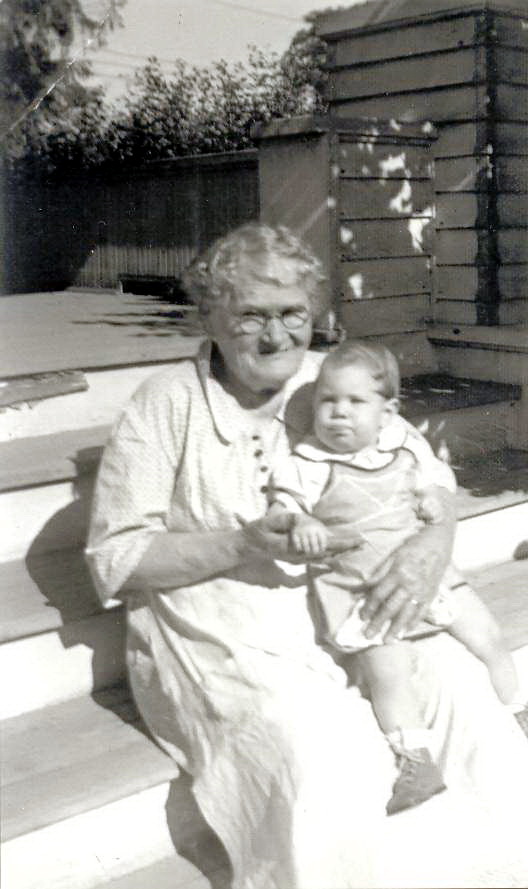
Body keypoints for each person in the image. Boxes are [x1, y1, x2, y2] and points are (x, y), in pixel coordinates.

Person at [86, 222, 528, 889]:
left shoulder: (334, 383)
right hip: (223, 628)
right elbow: (116, 558)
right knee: (320, 750)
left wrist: (432, 543)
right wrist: (239, 542)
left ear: (315, 315)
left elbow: (428, 473)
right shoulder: (166, 404)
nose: (275, 336)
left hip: (352, 605)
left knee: (462, 690)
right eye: (251, 317)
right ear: (210, 315)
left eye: (291, 314)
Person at [267, 339, 523, 816]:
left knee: (487, 634)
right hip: (363, 590)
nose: (338, 413)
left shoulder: (403, 446)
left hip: (430, 577)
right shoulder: (306, 462)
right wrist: (303, 523)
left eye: (355, 402)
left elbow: (434, 483)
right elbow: (284, 508)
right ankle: (417, 762)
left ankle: (517, 707)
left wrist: (430, 496)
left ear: (387, 413)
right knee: (389, 674)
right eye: (328, 401)